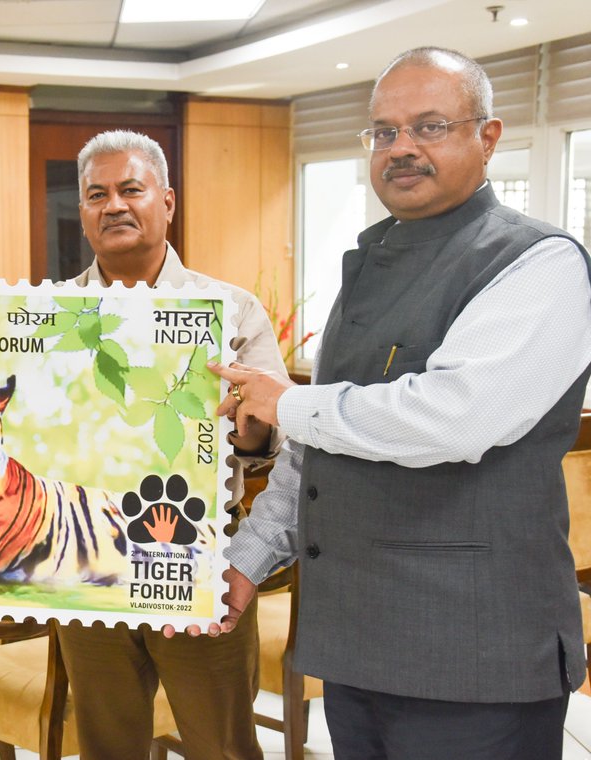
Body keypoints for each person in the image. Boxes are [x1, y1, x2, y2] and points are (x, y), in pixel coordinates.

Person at [207, 47, 591, 760]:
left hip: (477, 658)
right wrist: (245, 561)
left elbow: (456, 417)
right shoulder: (371, 263)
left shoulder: (539, 261)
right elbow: (319, 452)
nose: (401, 148)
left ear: (489, 137)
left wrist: (288, 405)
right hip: (358, 646)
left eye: (430, 126)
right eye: (383, 132)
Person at [58, 130, 288, 760]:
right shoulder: (47, 316)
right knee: (106, 743)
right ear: (82, 212)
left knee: (223, 744)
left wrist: (249, 425)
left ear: (167, 201)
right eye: (96, 195)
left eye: (131, 189)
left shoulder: (232, 310)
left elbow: (271, 441)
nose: (114, 206)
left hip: (199, 551)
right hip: (88, 555)